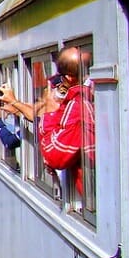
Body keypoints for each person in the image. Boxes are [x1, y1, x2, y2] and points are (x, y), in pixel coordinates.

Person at [39, 46, 95, 196]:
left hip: (93, 196)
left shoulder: (78, 106)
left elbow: (55, 157)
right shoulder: (91, 97)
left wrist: (50, 111)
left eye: (61, 77)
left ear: (69, 78)